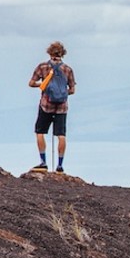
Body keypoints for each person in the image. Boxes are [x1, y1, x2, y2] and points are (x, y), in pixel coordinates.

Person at [28, 41, 76, 173]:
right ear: (62, 54)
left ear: (49, 52)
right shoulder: (67, 69)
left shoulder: (43, 67)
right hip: (62, 106)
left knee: (40, 132)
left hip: (46, 104)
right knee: (61, 135)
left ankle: (43, 162)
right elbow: (72, 90)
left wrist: (43, 85)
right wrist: (61, 93)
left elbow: (31, 83)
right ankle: (60, 165)